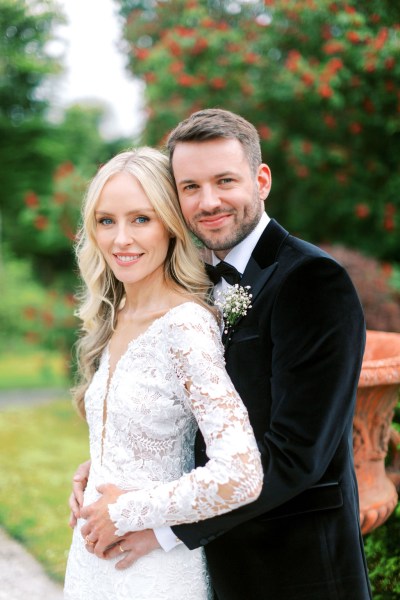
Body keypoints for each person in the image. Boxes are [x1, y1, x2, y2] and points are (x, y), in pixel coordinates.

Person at [70, 110, 373, 600]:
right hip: (208, 565)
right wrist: (110, 467)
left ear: (262, 179)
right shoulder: (191, 285)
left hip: (292, 569)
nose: (208, 201)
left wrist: (162, 528)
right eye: (190, 187)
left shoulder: (312, 281)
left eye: (224, 181)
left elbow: (297, 456)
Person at [63, 146, 263, 599]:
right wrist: (97, 471)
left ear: (171, 226)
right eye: (106, 220)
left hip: (153, 571)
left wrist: (126, 510)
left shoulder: (185, 326)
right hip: (90, 566)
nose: (121, 240)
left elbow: (241, 473)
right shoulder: (115, 316)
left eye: (141, 219)